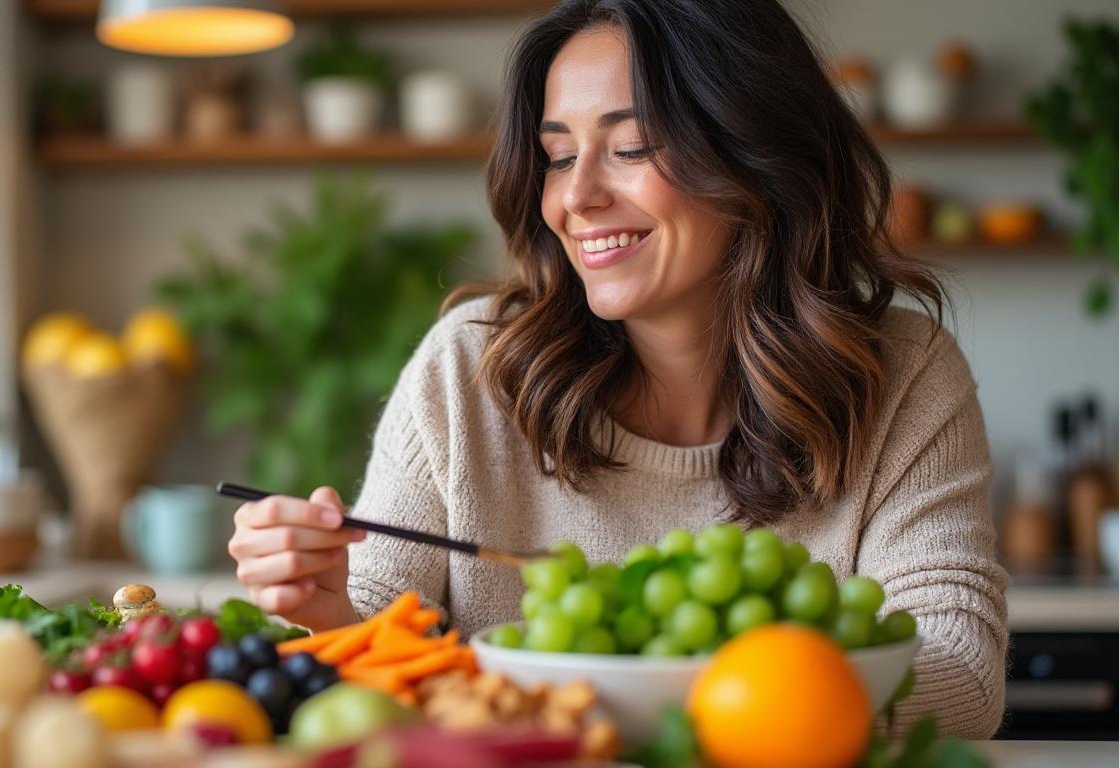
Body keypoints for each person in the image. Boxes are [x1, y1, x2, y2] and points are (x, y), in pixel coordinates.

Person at [227, 0, 1007, 739]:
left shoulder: (903, 374)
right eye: (558, 155)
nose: (577, 197)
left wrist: (615, 699)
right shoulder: (472, 369)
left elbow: (962, 679)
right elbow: (370, 636)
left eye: (630, 148)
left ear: (756, 157)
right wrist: (324, 606)